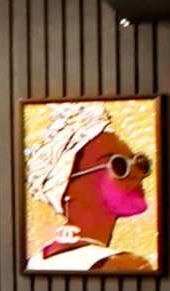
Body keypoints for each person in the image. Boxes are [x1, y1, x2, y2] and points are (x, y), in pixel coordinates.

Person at [24, 101, 156, 272]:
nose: (138, 174)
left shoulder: (34, 262)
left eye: (140, 163)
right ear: (68, 186)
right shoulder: (128, 265)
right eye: (119, 165)